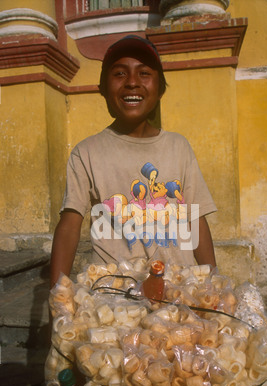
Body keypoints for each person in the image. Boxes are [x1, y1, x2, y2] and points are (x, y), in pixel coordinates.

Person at [50, 35, 217, 289]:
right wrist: (57, 296)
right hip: (116, 294)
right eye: (119, 74)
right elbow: (69, 226)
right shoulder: (86, 153)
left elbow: (196, 220)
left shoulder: (178, 147)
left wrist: (214, 286)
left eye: (144, 73)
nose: (131, 83)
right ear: (103, 88)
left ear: (160, 88)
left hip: (179, 288)